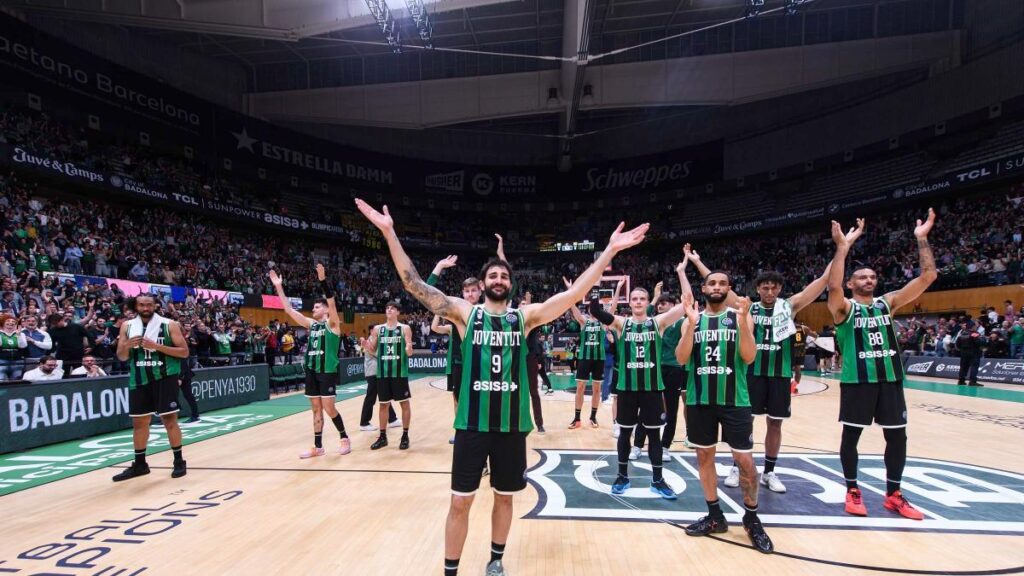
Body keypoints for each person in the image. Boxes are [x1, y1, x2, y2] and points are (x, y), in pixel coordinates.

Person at [356, 198, 648, 576]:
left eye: (504, 277)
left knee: (504, 499)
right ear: (482, 283)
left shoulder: (523, 318)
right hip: (472, 427)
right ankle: (451, 569)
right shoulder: (465, 312)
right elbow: (413, 285)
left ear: (511, 285)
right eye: (492, 276)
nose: (498, 281)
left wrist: (609, 250)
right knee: (460, 502)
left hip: (511, 429)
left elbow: (573, 295)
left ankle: (496, 559)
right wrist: (388, 231)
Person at [690, 245, 831, 494]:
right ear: (757, 289)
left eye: (773, 287)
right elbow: (720, 287)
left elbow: (818, 285)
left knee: (775, 424)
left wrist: (840, 252)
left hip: (779, 374)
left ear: (779, 289)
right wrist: (698, 262)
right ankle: (737, 466)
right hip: (752, 373)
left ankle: (769, 471)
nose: (769, 291)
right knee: (746, 422)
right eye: (764, 287)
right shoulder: (749, 308)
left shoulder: (789, 306)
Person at [826, 209, 938, 520]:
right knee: (851, 438)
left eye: (873, 276)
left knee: (897, 437)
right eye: (862, 276)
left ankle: (894, 494)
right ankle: (852, 489)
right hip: (857, 381)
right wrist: (842, 248)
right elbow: (832, 289)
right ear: (851, 283)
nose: (869, 280)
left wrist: (922, 239)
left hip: (890, 381)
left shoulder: (886, 304)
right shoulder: (844, 309)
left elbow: (928, 277)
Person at [675, 272, 772, 552]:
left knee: (745, 461)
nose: (716, 287)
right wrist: (691, 327)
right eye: (711, 283)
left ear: (728, 288)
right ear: (703, 289)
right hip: (700, 399)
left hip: (735, 399)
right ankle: (715, 515)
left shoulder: (740, 316)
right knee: (704, 456)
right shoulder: (691, 320)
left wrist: (743, 323)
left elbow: (749, 356)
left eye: (722, 284)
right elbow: (682, 359)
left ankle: (752, 519)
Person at [589, 270, 688, 500]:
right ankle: (622, 475)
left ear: (647, 303)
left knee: (654, 437)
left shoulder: (658, 322)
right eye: (634, 299)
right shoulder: (622, 324)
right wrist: (596, 286)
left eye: (642, 299)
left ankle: (658, 480)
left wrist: (682, 272)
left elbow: (686, 303)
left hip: (652, 389)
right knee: (625, 434)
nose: (638, 302)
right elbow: (595, 311)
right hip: (627, 389)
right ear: (629, 302)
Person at [270, 264, 352, 458]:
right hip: (312, 370)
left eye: (316, 307)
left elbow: (332, 303)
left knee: (329, 408)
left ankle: (344, 438)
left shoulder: (333, 324)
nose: (312, 309)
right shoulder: (312, 325)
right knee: (316, 409)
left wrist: (322, 280)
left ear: (324, 310)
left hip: (327, 370)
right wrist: (278, 287)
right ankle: (318, 446)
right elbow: (289, 310)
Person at [112, 294, 189, 481]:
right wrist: (126, 347)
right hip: (139, 378)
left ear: (155, 305)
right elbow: (122, 357)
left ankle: (179, 461)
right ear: (135, 306)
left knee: (169, 420)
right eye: (141, 305)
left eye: (148, 304)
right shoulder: (127, 326)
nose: (145, 308)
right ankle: (140, 464)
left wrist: (157, 347)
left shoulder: (169, 325)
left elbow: (184, 352)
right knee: (139, 423)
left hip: (164, 376)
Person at [631, 252, 694, 461]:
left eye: (664, 304)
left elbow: (688, 300)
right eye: (659, 304)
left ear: (673, 305)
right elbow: (641, 310)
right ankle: (638, 445)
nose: (660, 307)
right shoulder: (653, 322)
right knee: (646, 408)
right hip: (654, 368)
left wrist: (681, 272)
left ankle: (665, 446)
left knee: (672, 409)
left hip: (674, 368)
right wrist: (654, 296)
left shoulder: (679, 321)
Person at [363, 301, 414, 450]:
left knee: (404, 403)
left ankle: (405, 435)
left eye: (392, 308)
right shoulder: (378, 329)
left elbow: (409, 353)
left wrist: (409, 348)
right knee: (383, 405)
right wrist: (367, 346)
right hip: (383, 374)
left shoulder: (405, 328)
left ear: (398, 312)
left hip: (399, 373)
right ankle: (383, 437)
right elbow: (373, 350)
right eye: (387, 308)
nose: (389, 310)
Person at [358, 335, 399, 432]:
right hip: (373, 373)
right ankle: (364, 423)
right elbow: (378, 355)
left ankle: (392, 419)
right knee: (371, 398)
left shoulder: (373, 341)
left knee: (384, 396)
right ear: (373, 331)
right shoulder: (369, 342)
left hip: (377, 373)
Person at [954, 322, 985, 386]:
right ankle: (972, 381)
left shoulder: (961, 334)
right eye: (975, 326)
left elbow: (957, 345)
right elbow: (979, 343)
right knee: (974, 367)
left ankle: (961, 380)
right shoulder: (974, 334)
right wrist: (983, 340)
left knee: (963, 367)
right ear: (973, 327)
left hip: (963, 353)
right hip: (974, 353)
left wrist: (963, 349)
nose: (976, 327)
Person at [0, 314, 27, 380]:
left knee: (16, 380)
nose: (11, 322)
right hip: (2, 360)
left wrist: (19, 335)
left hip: (17, 361)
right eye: (8, 321)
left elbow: (23, 346)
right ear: (3, 323)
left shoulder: (21, 334)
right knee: (1, 379)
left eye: (13, 322)